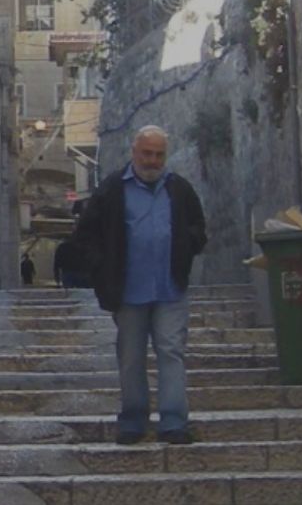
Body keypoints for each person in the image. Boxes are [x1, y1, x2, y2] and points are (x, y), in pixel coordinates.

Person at [71, 125, 207, 445]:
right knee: (131, 356)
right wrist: (101, 267)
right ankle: (133, 420)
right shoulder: (112, 189)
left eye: (159, 154)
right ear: (134, 152)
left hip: (170, 288)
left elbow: (197, 227)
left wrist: (186, 246)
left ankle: (173, 422)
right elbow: (86, 234)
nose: (152, 161)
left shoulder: (179, 189)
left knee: (171, 351)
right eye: (147, 153)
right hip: (128, 290)